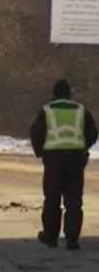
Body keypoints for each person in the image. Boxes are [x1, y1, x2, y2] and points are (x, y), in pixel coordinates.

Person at [29, 79, 98, 250]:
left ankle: (51, 238)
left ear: (54, 94)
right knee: (74, 201)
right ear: (69, 94)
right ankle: (72, 238)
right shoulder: (81, 110)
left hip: (53, 161)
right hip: (75, 160)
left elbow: (36, 133)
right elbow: (93, 133)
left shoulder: (47, 111)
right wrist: (82, 147)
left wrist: (41, 152)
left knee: (52, 199)